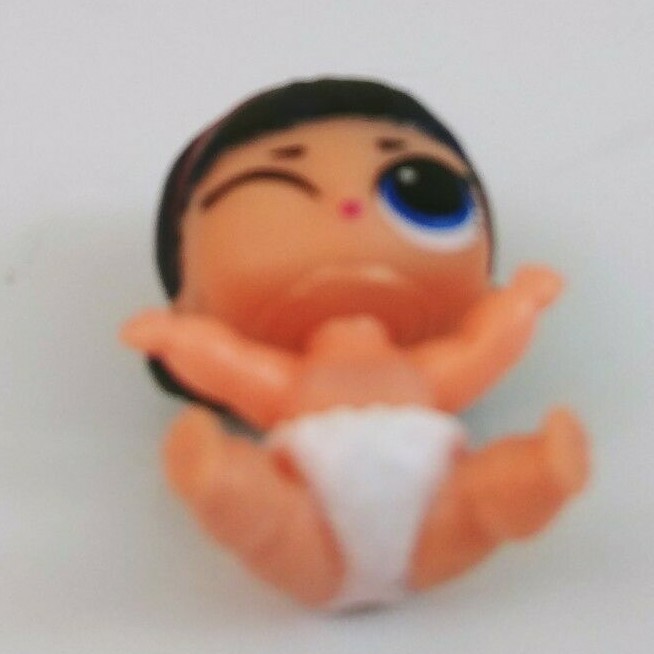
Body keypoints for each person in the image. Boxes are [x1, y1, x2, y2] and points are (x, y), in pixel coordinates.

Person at [121, 78, 589, 609]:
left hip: (436, 510)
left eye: (418, 188)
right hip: (311, 522)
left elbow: (483, 348)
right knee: (275, 521)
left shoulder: (419, 375)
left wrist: (521, 302)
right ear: (189, 294)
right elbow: (230, 364)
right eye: (276, 194)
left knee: (480, 503)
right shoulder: (293, 385)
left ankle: (541, 473)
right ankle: (225, 483)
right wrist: (175, 339)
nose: (349, 209)